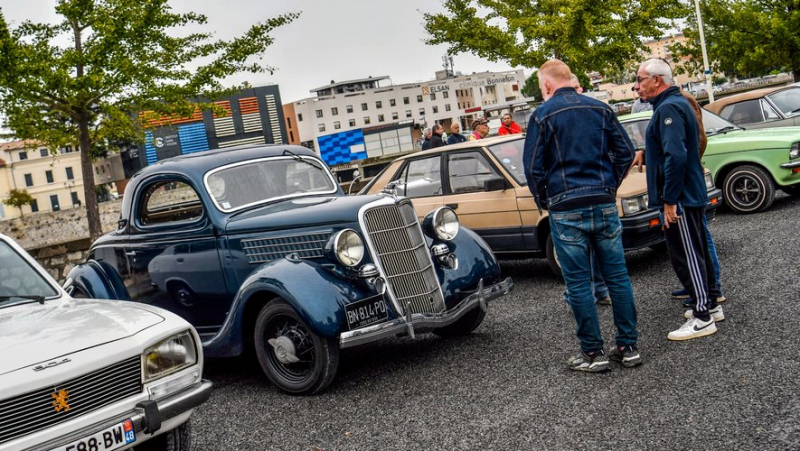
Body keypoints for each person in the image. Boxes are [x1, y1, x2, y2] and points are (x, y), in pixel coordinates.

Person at [523, 59, 640, 372]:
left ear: (547, 84)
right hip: (602, 201)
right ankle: (628, 347)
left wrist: (545, 199)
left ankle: (592, 353)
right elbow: (626, 152)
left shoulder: (542, 115)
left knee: (578, 283)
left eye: (540, 84)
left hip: (565, 206)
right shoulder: (600, 108)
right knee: (617, 276)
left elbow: (533, 168)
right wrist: (609, 185)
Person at [635, 58, 722, 341]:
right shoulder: (673, 103)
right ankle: (709, 303)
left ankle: (702, 316)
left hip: (681, 196)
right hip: (686, 193)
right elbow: (674, 147)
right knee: (694, 250)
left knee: (686, 254)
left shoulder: (670, 106)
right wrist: (646, 154)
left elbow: (677, 155)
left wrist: (669, 199)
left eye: (640, 80)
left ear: (657, 80)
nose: (637, 86)